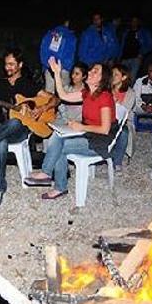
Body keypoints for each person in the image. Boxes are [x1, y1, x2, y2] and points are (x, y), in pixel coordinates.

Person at [0, 48, 58, 206]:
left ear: (20, 65)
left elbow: (55, 99)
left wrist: (41, 108)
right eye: (6, 64)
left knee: (15, 122)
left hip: (19, 130)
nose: (8, 67)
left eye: (12, 64)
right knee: (0, 142)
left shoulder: (28, 84)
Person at [25, 59, 117, 200]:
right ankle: (54, 181)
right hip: (88, 135)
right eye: (91, 70)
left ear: (101, 79)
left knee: (58, 145)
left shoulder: (104, 97)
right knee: (57, 138)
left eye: (95, 71)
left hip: (100, 142)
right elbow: (63, 96)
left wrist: (81, 127)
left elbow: (105, 129)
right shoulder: (87, 93)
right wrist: (57, 73)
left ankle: (49, 176)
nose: (90, 72)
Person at [110, 64, 137, 170]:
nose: (112, 77)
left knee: (124, 132)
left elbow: (124, 112)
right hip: (106, 120)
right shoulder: (106, 90)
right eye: (112, 74)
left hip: (122, 122)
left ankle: (117, 161)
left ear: (124, 77)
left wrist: (114, 103)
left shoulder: (130, 93)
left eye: (116, 74)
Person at [39, 19, 77, 94]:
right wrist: (64, 67)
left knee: (50, 94)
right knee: (64, 92)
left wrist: (48, 65)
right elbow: (71, 55)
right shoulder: (70, 36)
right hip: (62, 69)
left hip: (51, 67)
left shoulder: (50, 34)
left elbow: (43, 51)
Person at [119, 16, 152, 81]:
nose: (134, 23)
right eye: (132, 21)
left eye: (136, 21)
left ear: (139, 22)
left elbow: (151, 45)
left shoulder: (144, 32)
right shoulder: (126, 32)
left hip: (135, 58)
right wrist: (119, 56)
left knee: (132, 77)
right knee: (122, 77)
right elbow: (122, 45)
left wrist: (142, 53)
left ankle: (130, 90)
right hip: (125, 58)